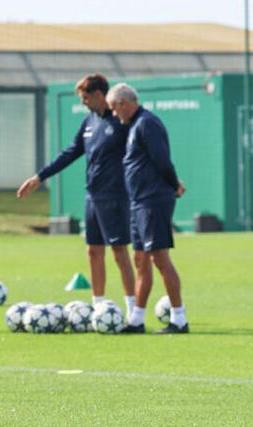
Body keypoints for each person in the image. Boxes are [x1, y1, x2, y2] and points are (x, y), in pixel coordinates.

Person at [17, 74, 136, 316]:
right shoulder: (89, 122)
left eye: (85, 98)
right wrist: (40, 176)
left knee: (119, 252)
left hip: (115, 196)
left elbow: (141, 153)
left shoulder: (121, 122)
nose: (83, 102)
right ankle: (98, 305)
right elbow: (70, 153)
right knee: (93, 250)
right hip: (92, 197)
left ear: (99, 96)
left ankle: (134, 308)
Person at [106, 83, 188, 334]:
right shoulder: (133, 125)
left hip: (153, 200)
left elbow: (162, 159)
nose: (112, 113)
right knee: (140, 258)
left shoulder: (147, 123)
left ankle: (179, 319)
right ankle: (136, 320)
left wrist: (174, 184)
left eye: (113, 108)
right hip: (139, 201)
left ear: (123, 103)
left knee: (159, 258)